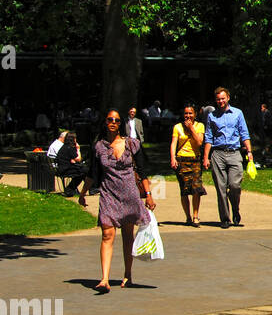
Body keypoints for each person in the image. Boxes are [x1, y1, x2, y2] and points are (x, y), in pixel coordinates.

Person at [79, 110, 157, 292]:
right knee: (107, 234)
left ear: (120, 123)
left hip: (129, 194)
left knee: (128, 236)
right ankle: (104, 279)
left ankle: (128, 274)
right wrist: (82, 193)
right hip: (108, 194)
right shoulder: (99, 146)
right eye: (109, 120)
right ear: (105, 122)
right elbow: (92, 173)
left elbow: (142, 172)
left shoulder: (132, 144)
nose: (113, 122)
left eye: (116, 120)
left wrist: (148, 194)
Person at [202, 86, 254, 228]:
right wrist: (206, 157)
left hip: (234, 153)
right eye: (218, 99)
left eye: (223, 98)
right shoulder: (212, 116)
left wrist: (249, 152)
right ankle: (225, 218)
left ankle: (235, 209)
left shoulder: (237, 113)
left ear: (228, 98)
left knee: (234, 185)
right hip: (217, 153)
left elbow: (244, 134)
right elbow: (208, 138)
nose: (220, 101)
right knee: (221, 188)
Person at [170, 104, 206, 227]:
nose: (188, 116)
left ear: (195, 114)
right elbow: (174, 143)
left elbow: (199, 142)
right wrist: (173, 158)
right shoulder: (177, 127)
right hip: (182, 160)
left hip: (195, 160)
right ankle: (188, 217)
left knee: (196, 188)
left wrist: (191, 128)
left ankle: (196, 216)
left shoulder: (200, 126)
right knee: (185, 189)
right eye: (186, 113)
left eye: (190, 113)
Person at [56, 132, 86, 197]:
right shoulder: (69, 148)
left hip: (63, 168)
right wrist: (78, 149)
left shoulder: (65, 147)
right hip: (65, 169)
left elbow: (72, 159)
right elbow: (78, 159)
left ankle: (70, 190)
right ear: (73, 139)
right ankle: (69, 189)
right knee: (83, 172)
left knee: (84, 171)